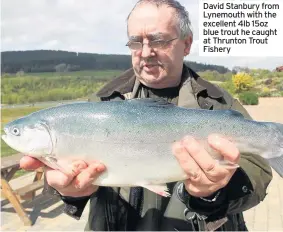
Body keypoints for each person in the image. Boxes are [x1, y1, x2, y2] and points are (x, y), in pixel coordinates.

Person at [20, 0, 273, 231]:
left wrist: (216, 193)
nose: (146, 51)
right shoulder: (103, 104)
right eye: (135, 42)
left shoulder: (219, 103)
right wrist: (68, 191)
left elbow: (259, 170)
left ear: (186, 44)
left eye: (159, 40)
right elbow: (68, 174)